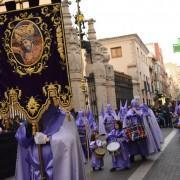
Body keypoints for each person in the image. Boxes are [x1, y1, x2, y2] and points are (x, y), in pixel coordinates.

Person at [15, 105, 86, 180]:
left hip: (57, 168)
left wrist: (48, 139)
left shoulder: (65, 117)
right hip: (36, 170)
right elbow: (22, 139)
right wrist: (29, 131)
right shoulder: (30, 120)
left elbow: (69, 140)